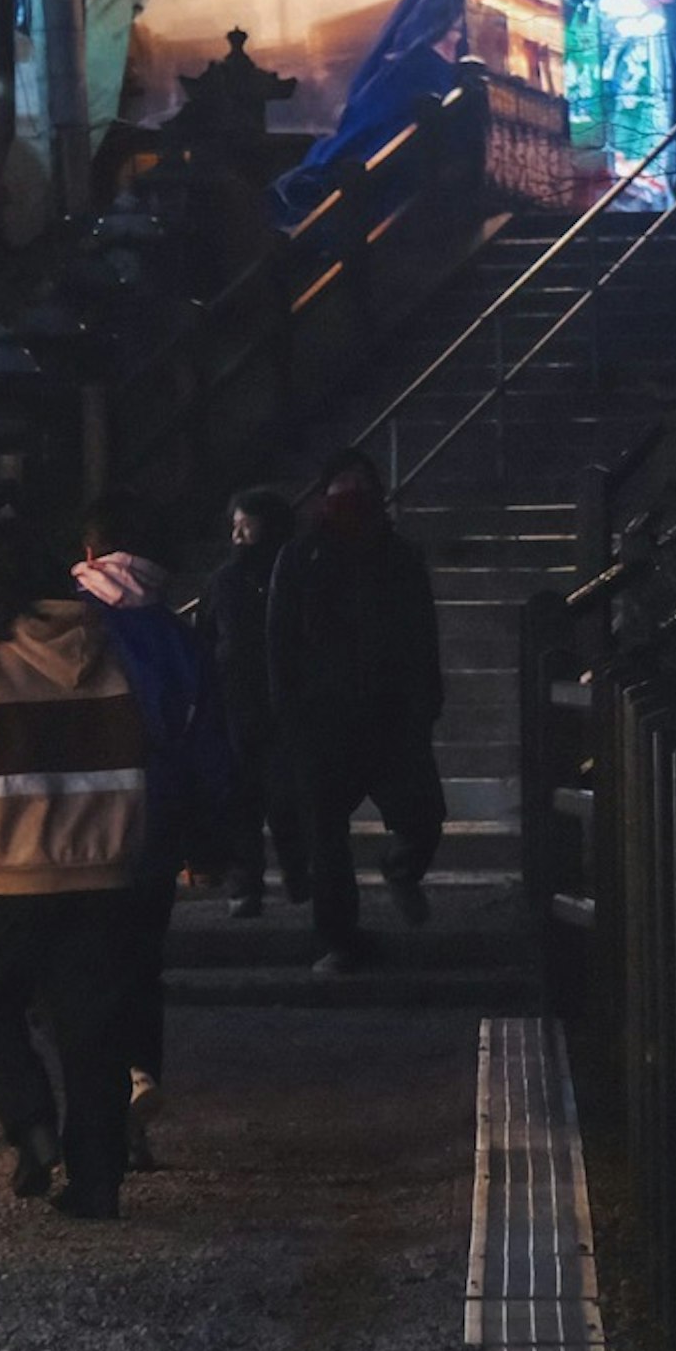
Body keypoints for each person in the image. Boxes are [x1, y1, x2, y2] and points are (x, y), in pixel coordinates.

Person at [0, 515, 157, 1218]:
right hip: (107, 874)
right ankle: (97, 1179)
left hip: (7, 878)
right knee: (93, 1031)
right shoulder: (110, 647)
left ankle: (31, 1121)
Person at [267, 451, 446, 973]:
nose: (349, 494)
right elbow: (281, 640)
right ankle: (339, 938)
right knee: (326, 838)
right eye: (340, 484)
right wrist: (290, 713)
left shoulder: (399, 557)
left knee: (422, 817)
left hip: (389, 713)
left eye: (359, 484)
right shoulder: (301, 557)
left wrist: (424, 702)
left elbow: (421, 634)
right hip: (322, 718)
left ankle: (401, 870)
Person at [71, 506, 214, 1164]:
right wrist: (204, 838)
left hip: (84, 812)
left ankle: (101, 1111)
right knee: (140, 962)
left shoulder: (73, 622)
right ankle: (140, 1092)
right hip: (157, 812)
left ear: (92, 549)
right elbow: (206, 738)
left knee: (82, 966)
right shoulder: (174, 630)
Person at [200, 488, 303, 917]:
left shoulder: (294, 572)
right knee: (241, 801)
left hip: (285, 703)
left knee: (285, 800)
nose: (239, 533)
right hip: (236, 703)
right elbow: (208, 634)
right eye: (235, 524)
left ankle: (299, 878)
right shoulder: (225, 580)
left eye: (248, 523)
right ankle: (247, 885)